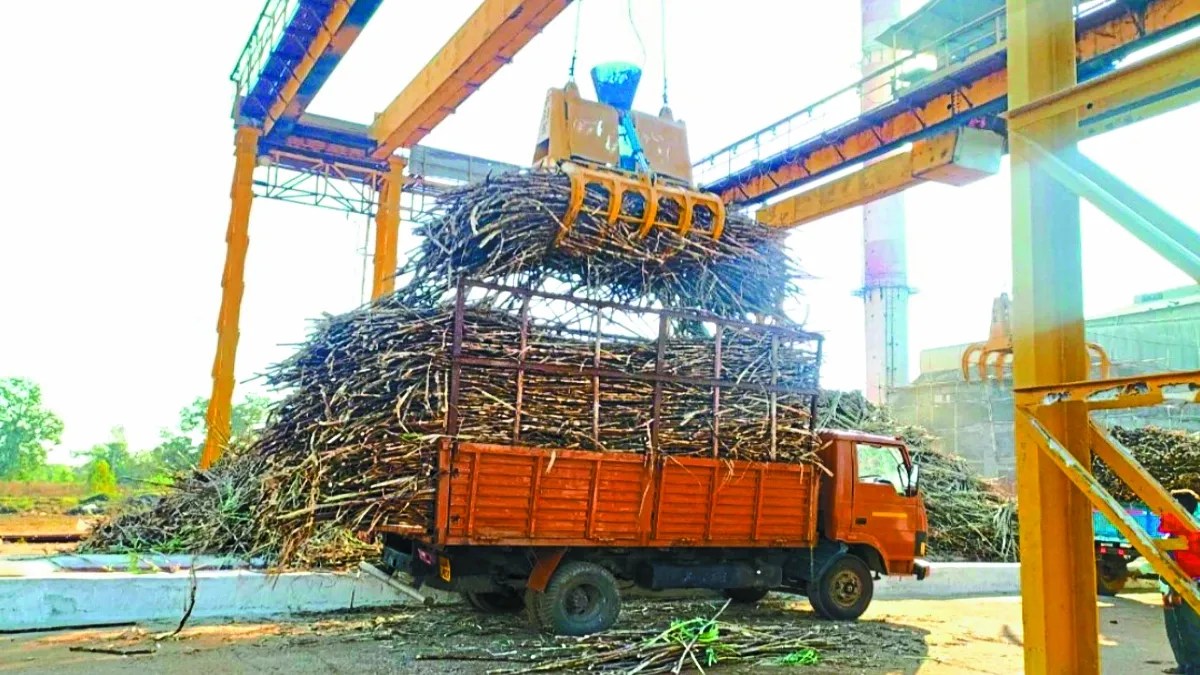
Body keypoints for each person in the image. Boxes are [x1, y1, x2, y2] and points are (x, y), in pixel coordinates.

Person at [1161, 489, 1200, 674]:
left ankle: (1194, 667)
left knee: (1191, 629)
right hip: (1171, 587)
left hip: (1190, 587)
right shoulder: (1174, 533)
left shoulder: (1193, 533)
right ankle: (1184, 665)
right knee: (1175, 627)